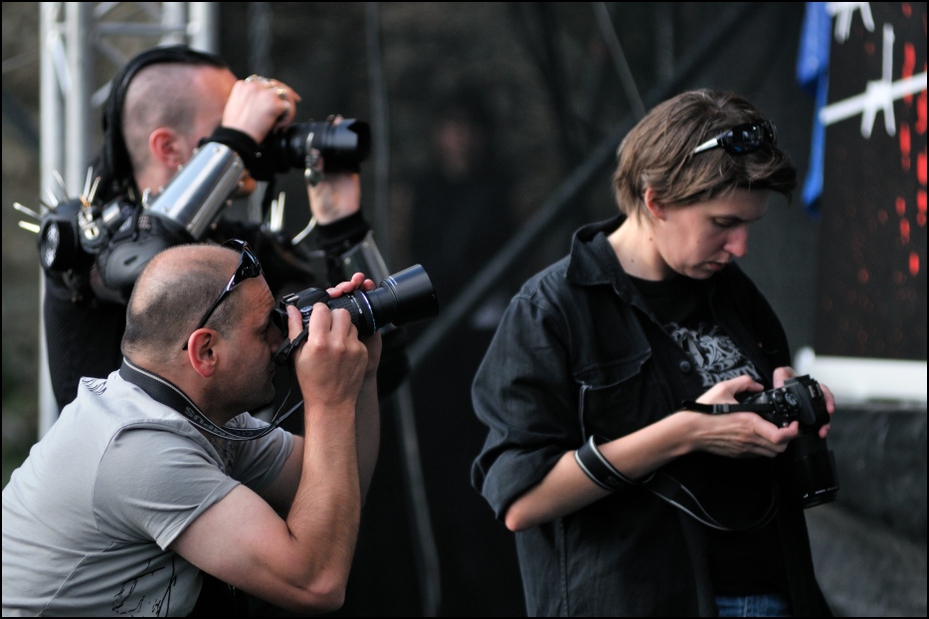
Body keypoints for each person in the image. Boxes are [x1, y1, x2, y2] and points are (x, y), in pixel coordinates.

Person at [471, 89, 836, 616]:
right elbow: (521, 502)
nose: (740, 248)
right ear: (655, 200)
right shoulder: (550, 311)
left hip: (777, 588)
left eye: (748, 225)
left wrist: (791, 405)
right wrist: (688, 431)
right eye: (722, 224)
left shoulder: (731, 290)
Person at [2, 241, 381, 615]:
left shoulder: (199, 418)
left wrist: (361, 376)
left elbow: (341, 488)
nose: (281, 338)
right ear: (205, 352)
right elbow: (316, 583)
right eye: (266, 327)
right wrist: (329, 401)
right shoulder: (138, 451)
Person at [37, 44, 404, 413]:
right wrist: (236, 137)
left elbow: (379, 371)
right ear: (168, 148)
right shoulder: (86, 250)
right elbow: (156, 257)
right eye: (234, 124)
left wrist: (342, 225)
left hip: (227, 469)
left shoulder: (243, 250)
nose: (256, 141)